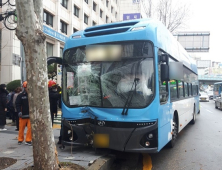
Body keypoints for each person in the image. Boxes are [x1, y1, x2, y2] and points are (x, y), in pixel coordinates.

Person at [15, 81, 32, 145]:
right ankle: (20, 139)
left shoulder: (32, 95)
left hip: (30, 115)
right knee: (21, 128)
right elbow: (17, 104)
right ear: (25, 88)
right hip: (23, 114)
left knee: (30, 128)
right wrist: (19, 111)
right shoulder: (20, 96)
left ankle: (28, 140)